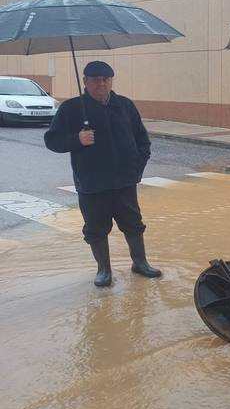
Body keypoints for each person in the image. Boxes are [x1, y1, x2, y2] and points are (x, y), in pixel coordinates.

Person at [44, 61, 161, 287]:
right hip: (91, 183)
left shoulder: (125, 105)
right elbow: (52, 140)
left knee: (133, 224)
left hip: (125, 182)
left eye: (106, 79)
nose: (101, 84)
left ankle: (140, 263)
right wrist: (76, 139)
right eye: (96, 80)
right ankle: (104, 270)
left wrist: (137, 167)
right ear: (85, 82)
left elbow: (142, 139)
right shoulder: (71, 109)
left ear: (111, 81)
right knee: (96, 228)